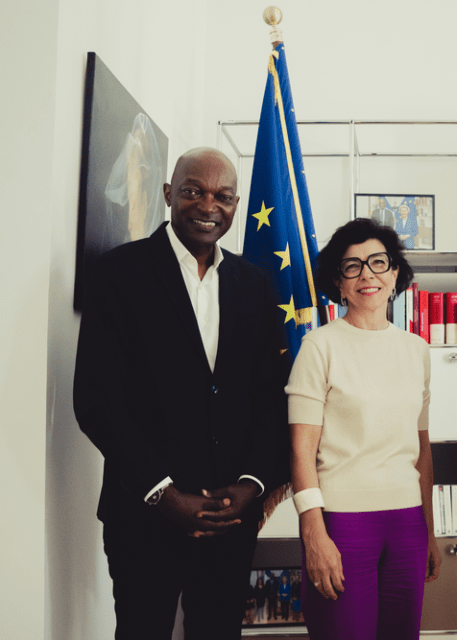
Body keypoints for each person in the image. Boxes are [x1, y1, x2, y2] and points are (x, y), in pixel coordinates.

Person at [73, 147, 291, 640]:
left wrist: (253, 485)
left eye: (224, 196)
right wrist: (164, 495)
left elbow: (269, 397)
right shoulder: (118, 273)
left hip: (231, 518)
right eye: (193, 191)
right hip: (145, 517)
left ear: (236, 206)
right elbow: (96, 400)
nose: (208, 206)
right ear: (170, 194)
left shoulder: (254, 285)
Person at [286, 218, 442, 640]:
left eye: (378, 262)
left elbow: (421, 448)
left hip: (407, 524)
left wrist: (428, 530)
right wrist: (313, 533)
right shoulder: (319, 347)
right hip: (340, 524)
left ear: (395, 274)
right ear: (338, 282)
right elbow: (301, 453)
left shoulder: (417, 350)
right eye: (352, 266)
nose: (367, 274)